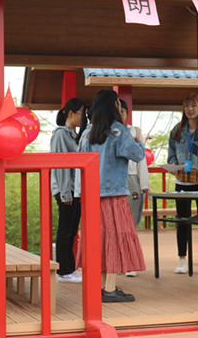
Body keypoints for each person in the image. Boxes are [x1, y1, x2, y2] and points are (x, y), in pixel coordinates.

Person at [78, 89, 146, 303]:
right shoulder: (118, 131)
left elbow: (79, 164)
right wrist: (138, 138)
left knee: (98, 239)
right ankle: (110, 289)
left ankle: (98, 288)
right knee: (115, 239)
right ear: (114, 106)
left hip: (90, 195)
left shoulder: (87, 133)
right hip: (114, 195)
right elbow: (138, 155)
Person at [167, 93, 198, 274]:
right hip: (181, 181)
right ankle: (182, 259)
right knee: (182, 221)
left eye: (194, 106)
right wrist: (173, 165)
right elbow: (171, 154)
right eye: (187, 105)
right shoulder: (177, 129)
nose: (190, 109)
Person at [50, 98, 86, 283]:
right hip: (66, 189)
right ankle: (64, 270)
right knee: (65, 230)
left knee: (71, 230)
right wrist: (65, 192)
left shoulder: (73, 135)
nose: (84, 117)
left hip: (73, 189)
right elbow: (60, 165)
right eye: (81, 113)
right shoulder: (60, 134)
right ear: (70, 113)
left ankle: (69, 268)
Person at [119, 99, 150, 277]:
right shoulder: (109, 131)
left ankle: (130, 262)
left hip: (132, 178)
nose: (120, 114)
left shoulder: (134, 131)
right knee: (117, 221)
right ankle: (118, 261)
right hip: (116, 179)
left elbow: (141, 158)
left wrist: (144, 183)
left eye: (123, 111)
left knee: (131, 221)